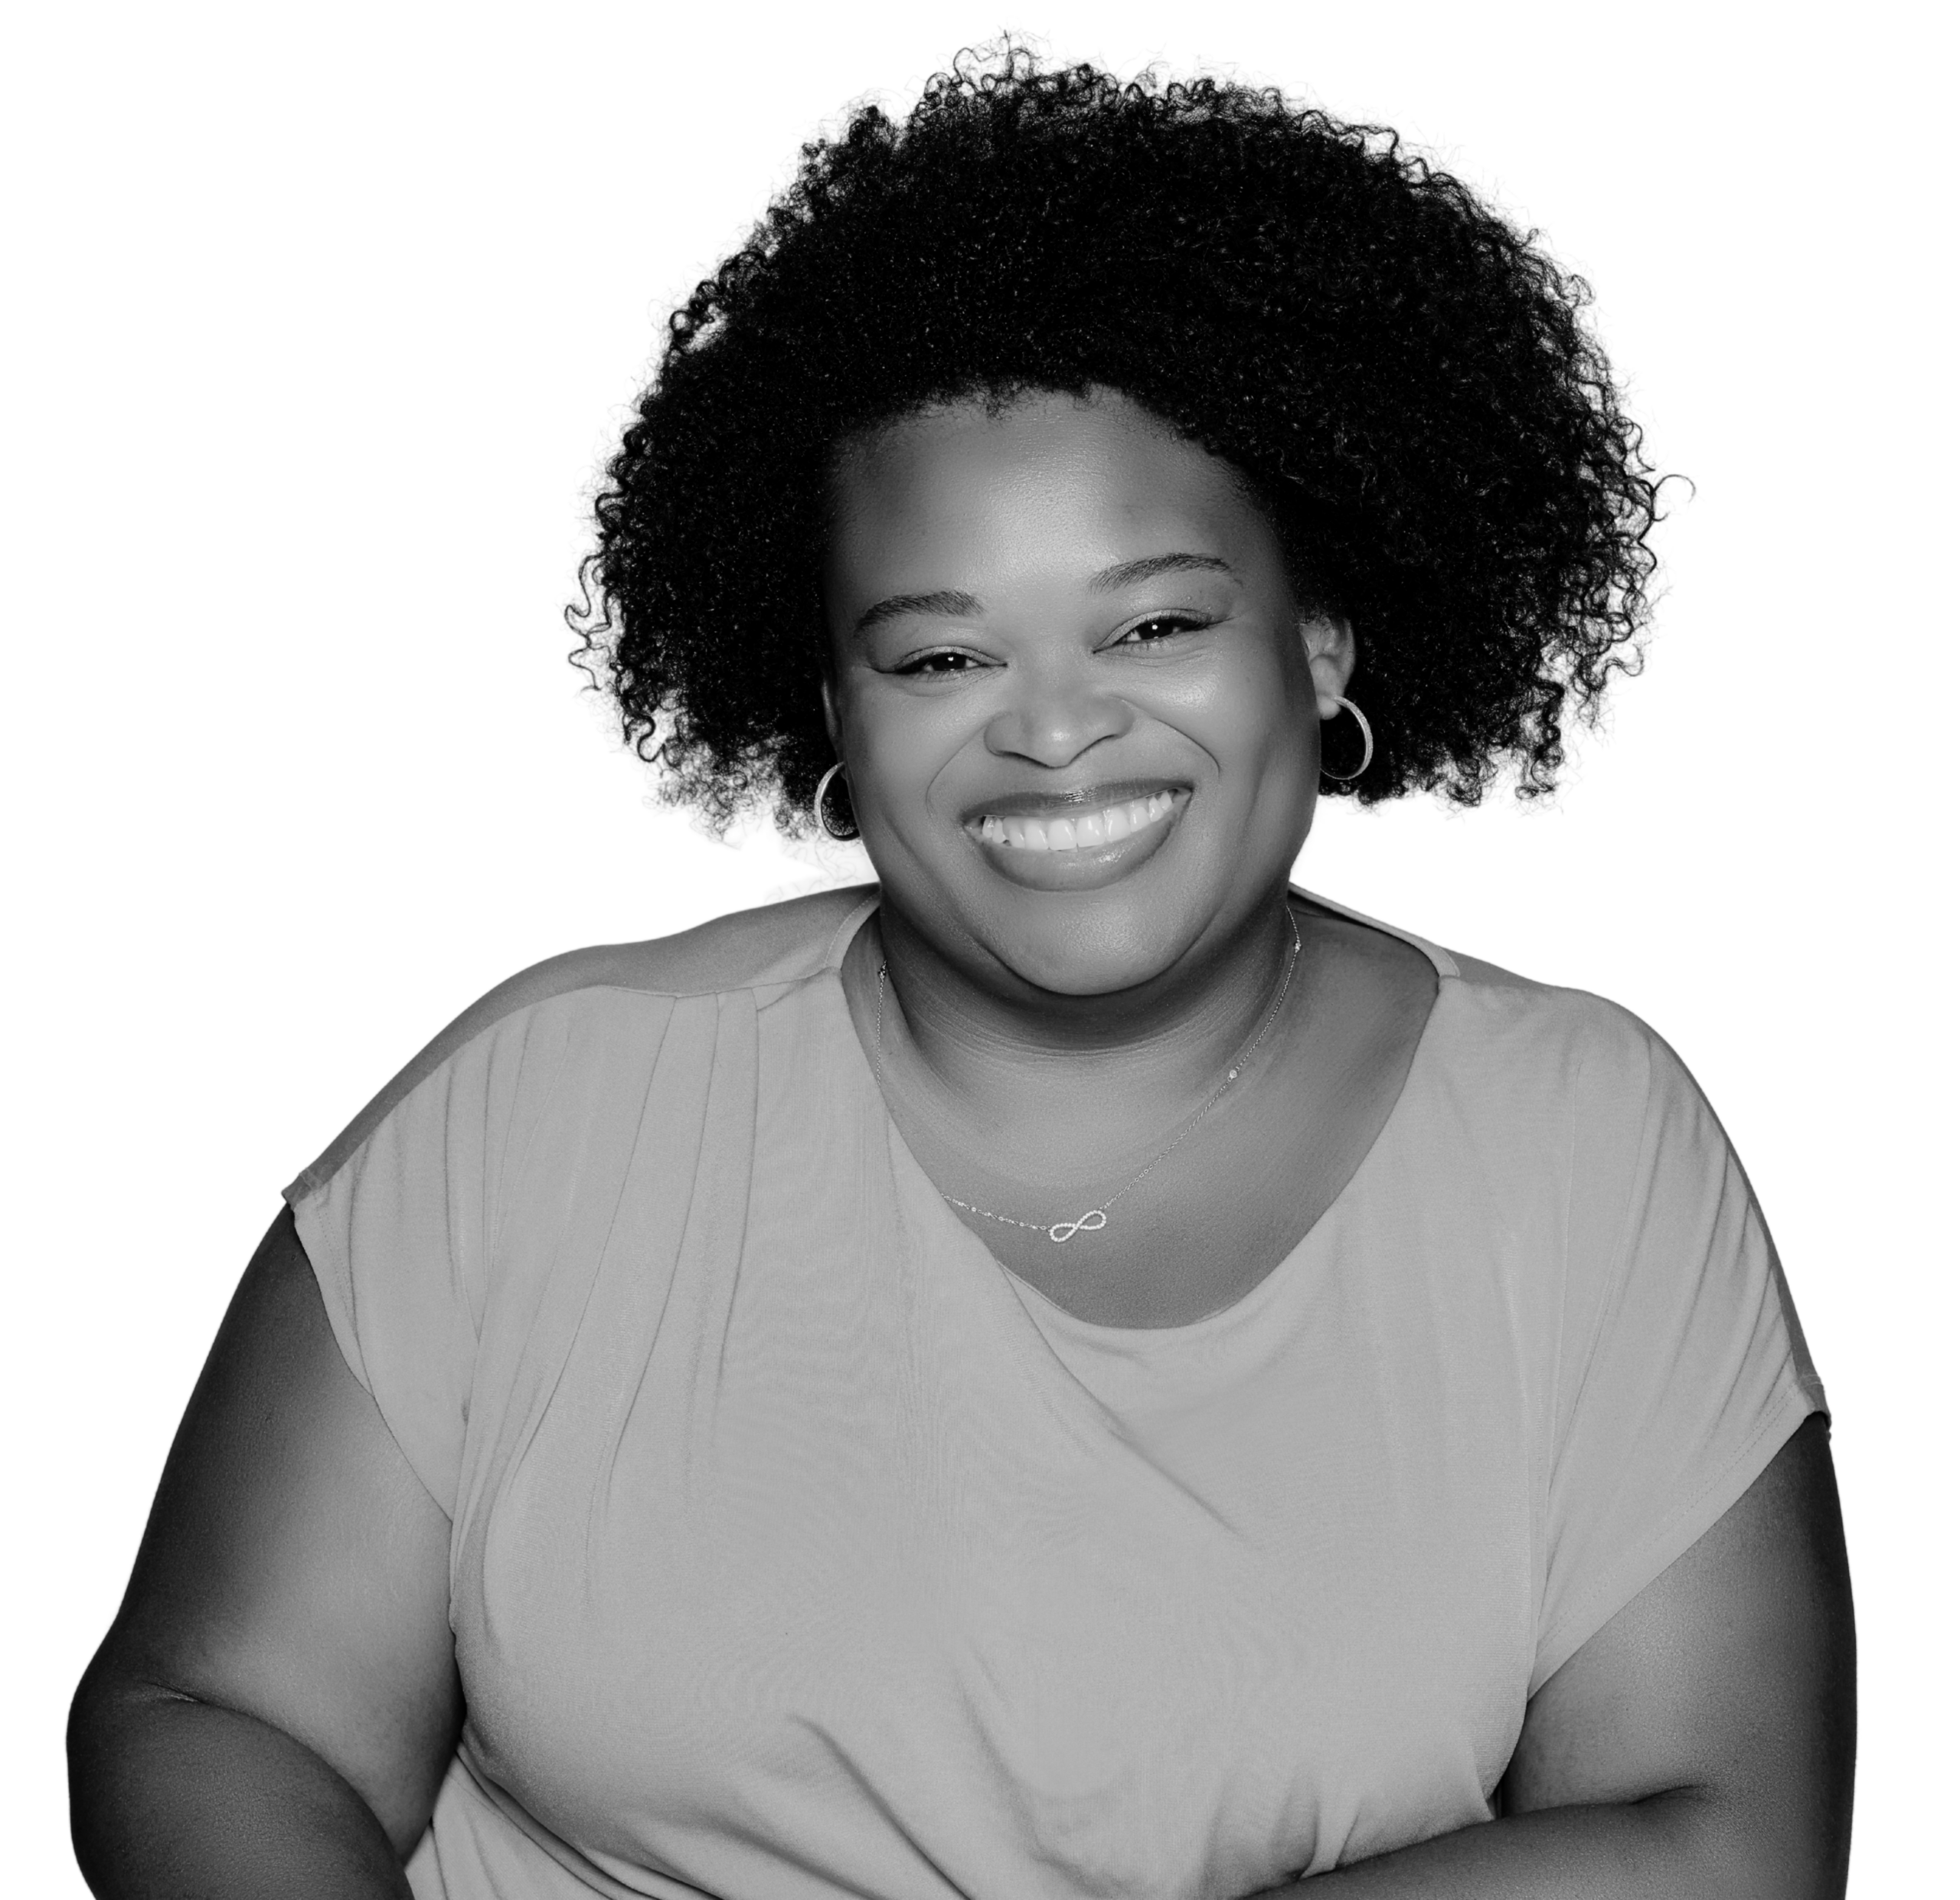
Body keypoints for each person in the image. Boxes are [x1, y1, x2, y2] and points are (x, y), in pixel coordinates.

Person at [67, 47, 1854, 1900]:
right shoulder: (549, 1107)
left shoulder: (1578, 1151)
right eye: (939, 659)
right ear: (829, 706)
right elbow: (220, 1714)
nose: (1056, 733)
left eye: (1154, 620)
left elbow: (1712, 1834)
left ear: (1318, 640)